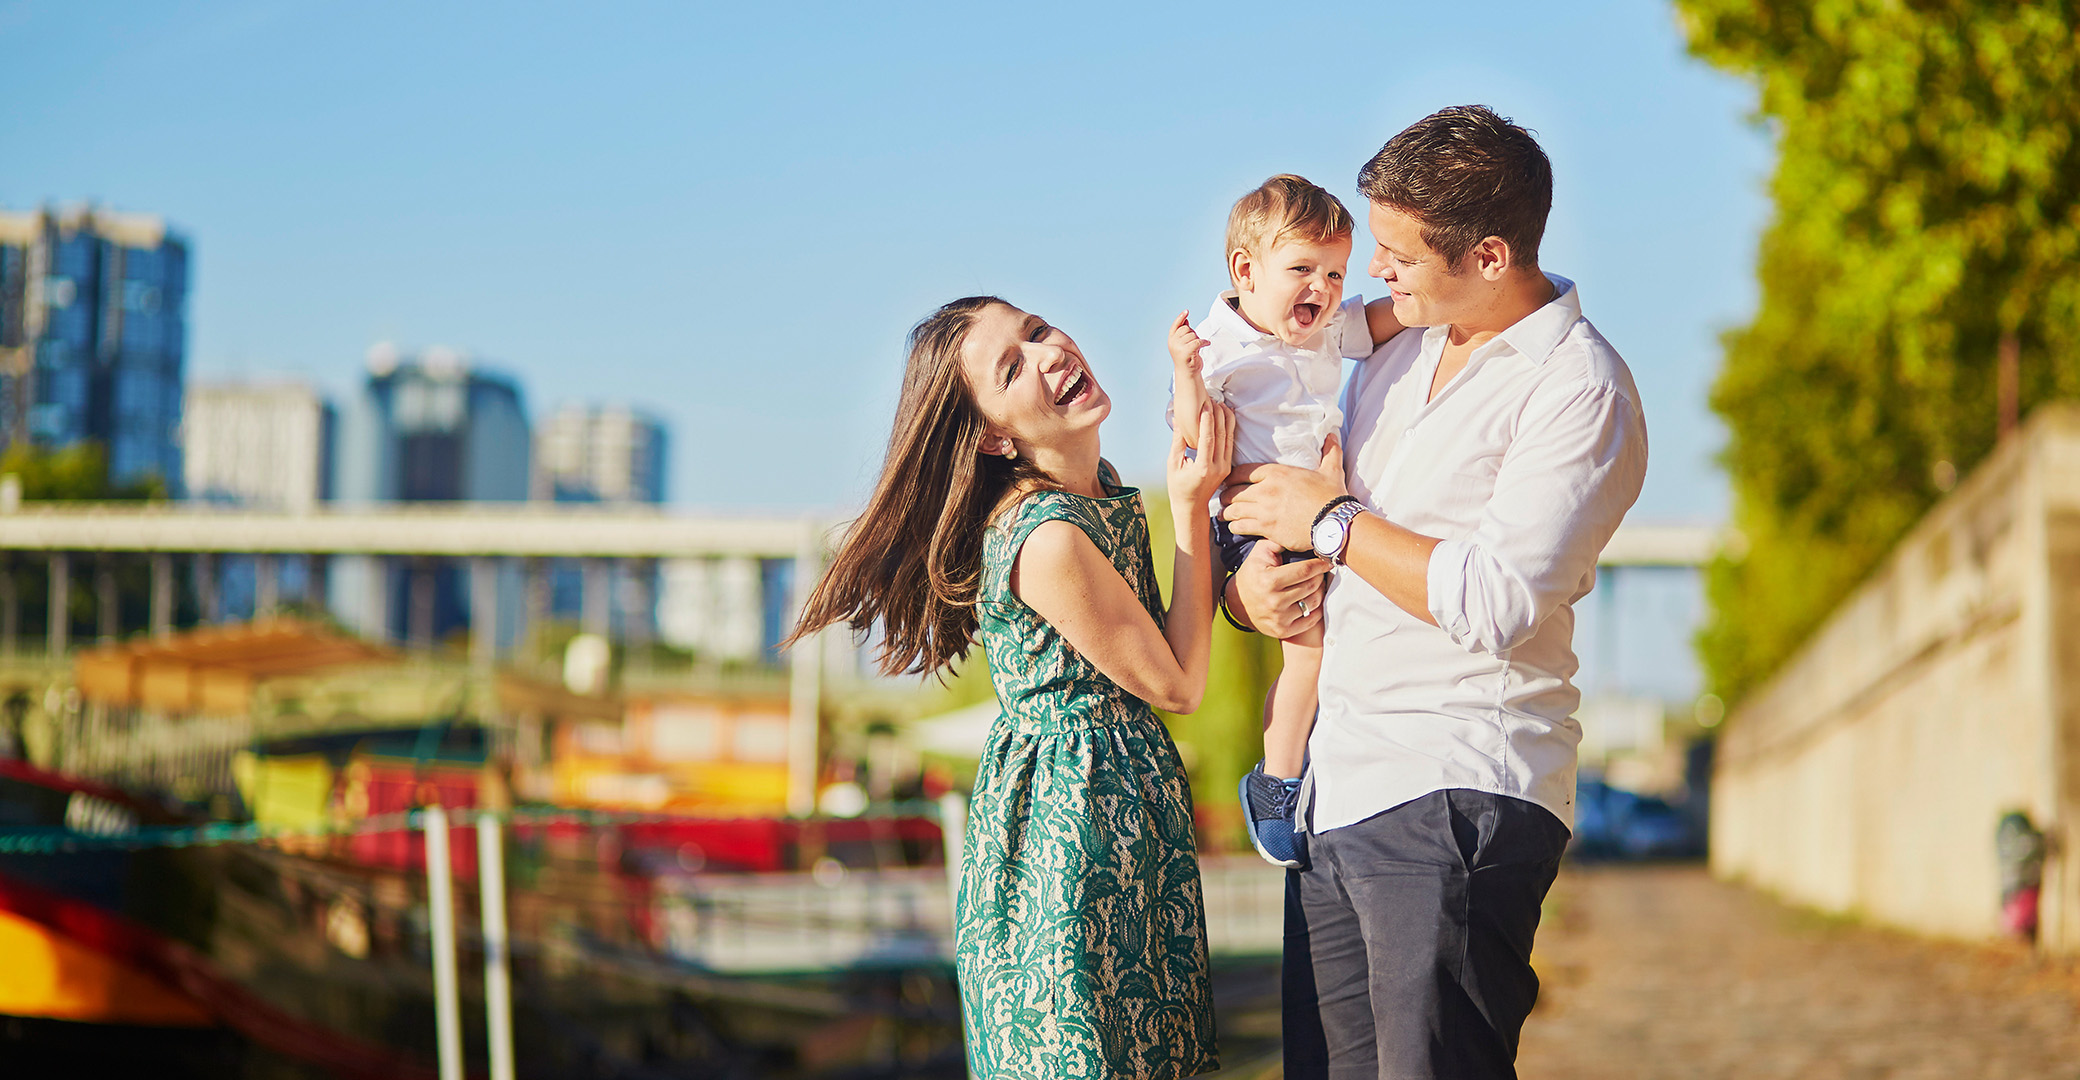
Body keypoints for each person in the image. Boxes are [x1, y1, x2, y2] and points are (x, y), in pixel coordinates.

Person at [1221, 106, 1649, 1078]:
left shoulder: (1580, 390)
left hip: (1457, 786)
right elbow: (1301, 517)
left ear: (1490, 254)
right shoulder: (1398, 347)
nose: (1376, 275)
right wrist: (1254, 590)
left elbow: (1497, 598)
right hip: (1339, 790)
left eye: (1399, 255)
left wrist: (1330, 519)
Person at [789, 296, 1236, 1079]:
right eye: (1012, 366)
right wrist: (1194, 507)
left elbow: (1162, 640)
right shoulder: (1047, 535)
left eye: (1036, 331)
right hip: (1070, 839)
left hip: (1119, 818)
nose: (1049, 352)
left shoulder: (1096, 491)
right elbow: (1178, 682)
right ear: (994, 435)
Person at [1167, 174, 1401, 870]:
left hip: (1316, 510)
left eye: (1334, 272)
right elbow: (1192, 432)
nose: (1323, 289)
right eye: (1302, 270)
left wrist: (1439, 304)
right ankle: (1277, 779)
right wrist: (1184, 372)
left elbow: (1387, 318)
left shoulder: (1328, 329)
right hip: (1254, 524)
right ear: (1245, 271)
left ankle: (1301, 764)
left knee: (1326, 646)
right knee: (1308, 649)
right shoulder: (1220, 345)